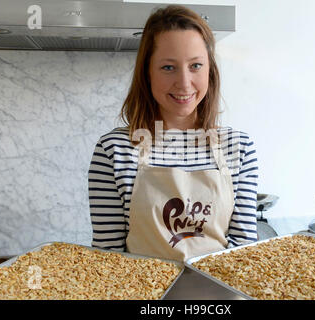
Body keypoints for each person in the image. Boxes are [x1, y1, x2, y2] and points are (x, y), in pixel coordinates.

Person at [88, 5, 258, 261]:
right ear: (147, 73)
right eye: (168, 67)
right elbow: (108, 260)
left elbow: (243, 254)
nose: (184, 82)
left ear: (210, 71)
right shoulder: (114, 150)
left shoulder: (239, 148)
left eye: (196, 66)